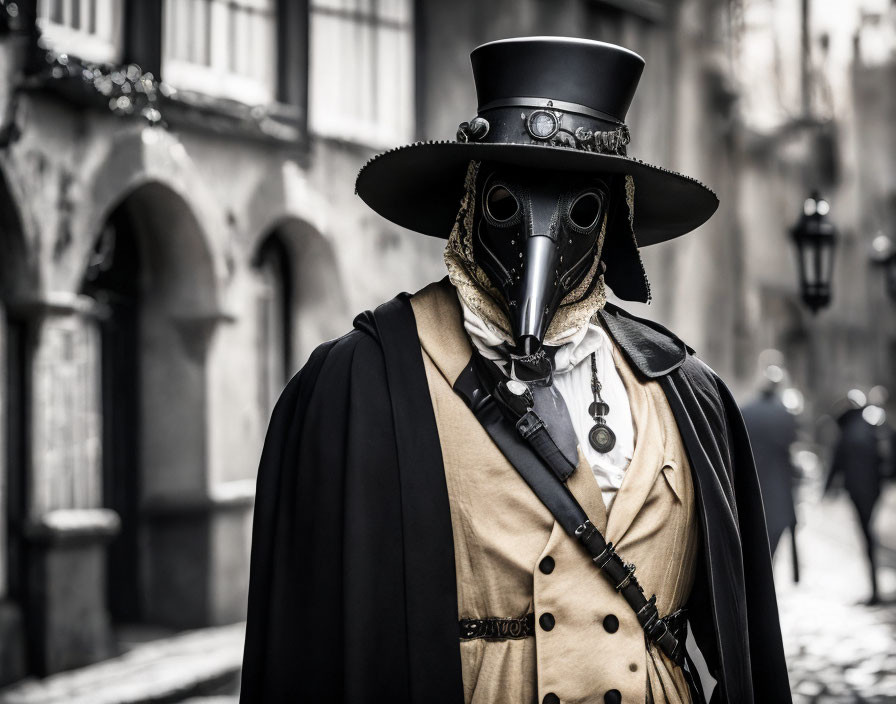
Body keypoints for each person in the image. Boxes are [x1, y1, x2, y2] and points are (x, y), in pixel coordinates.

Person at [240, 37, 790, 703]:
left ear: (612, 220)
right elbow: (309, 643)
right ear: (469, 201)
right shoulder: (360, 385)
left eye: (579, 206)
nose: (541, 239)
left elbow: (742, 635)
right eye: (509, 198)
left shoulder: (684, 391)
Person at [825, 390, 885, 604]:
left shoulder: (848, 431)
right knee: (870, 537)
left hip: (859, 492)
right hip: (874, 489)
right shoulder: (872, 426)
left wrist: (827, 490)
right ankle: (875, 587)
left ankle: (875, 589)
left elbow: (836, 463)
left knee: (868, 537)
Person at [740, 364, 800, 579]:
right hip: (777, 489)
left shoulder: (746, 410)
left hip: (751, 486)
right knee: (771, 543)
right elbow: (791, 447)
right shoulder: (785, 414)